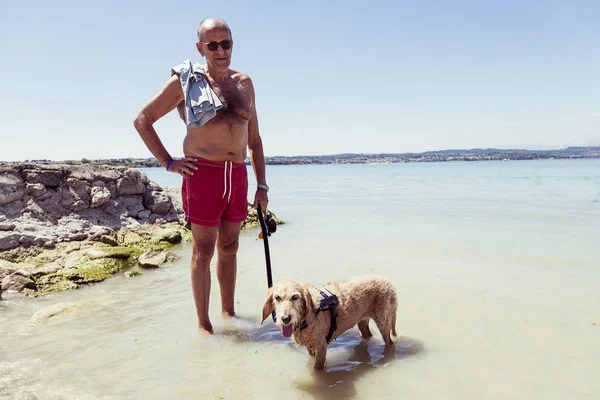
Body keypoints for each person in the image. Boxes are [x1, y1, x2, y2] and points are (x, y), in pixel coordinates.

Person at [133, 18, 269, 335]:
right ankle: (204, 325)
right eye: (213, 44)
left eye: (226, 43)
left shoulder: (245, 83)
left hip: (236, 175)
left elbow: (255, 141)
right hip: (202, 174)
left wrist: (261, 185)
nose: (221, 50)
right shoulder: (187, 81)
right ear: (201, 48)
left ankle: (228, 313)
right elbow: (142, 119)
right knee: (203, 250)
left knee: (231, 246)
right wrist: (168, 162)